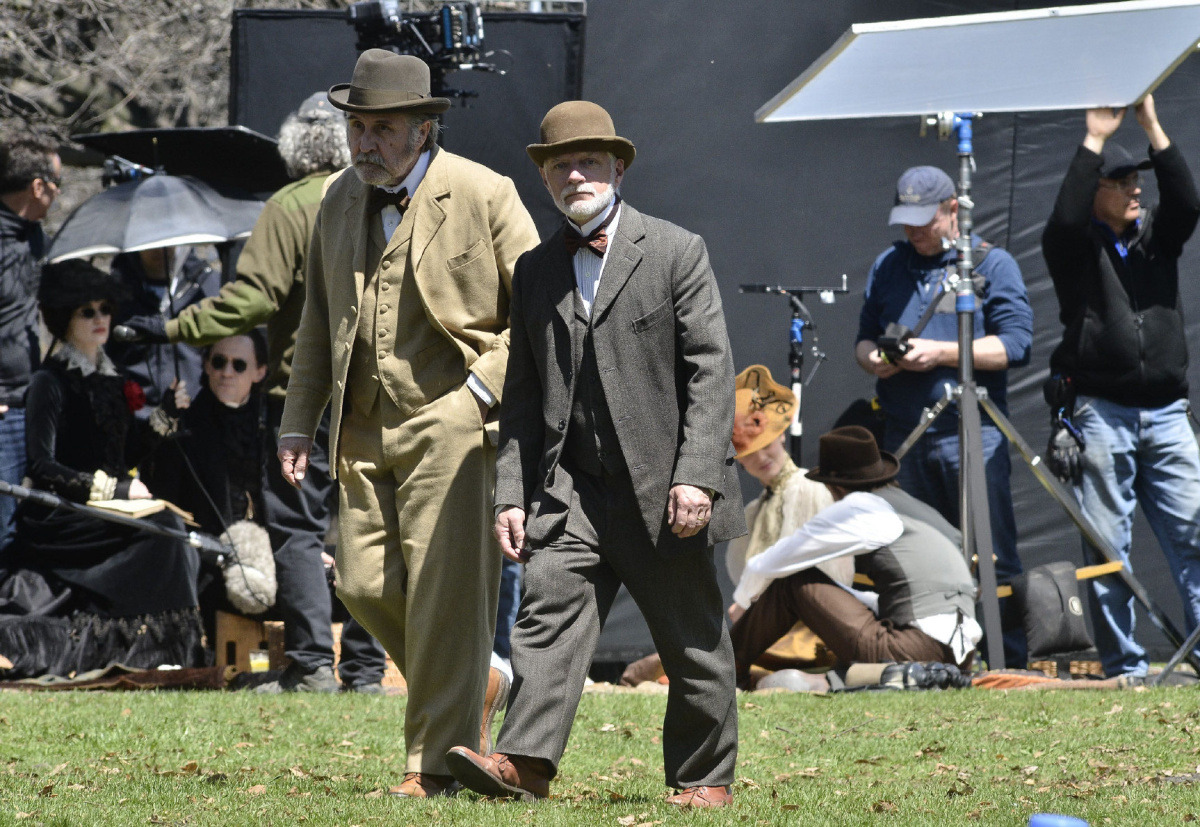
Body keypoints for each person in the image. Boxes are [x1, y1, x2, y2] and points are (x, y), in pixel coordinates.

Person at [444, 100, 743, 809]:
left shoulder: (676, 250)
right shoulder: (534, 269)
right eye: (560, 165)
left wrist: (697, 476)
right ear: (545, 179)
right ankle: (524, 763)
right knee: (547, 612)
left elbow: (711, 371)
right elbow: (521, 394)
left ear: (618, 168)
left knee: (693, 638)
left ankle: (704, 777)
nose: (575, 174)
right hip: (571, 486)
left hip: (665, 487)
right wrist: (512, 492)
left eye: (589, 161)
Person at [277, 51, 539, 797]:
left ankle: (432, 766)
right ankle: (476, 680)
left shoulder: (485, 192)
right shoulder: (337, 198)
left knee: (444, 595)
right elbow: (318, 319)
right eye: (357, 127)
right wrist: (298, 421)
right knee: (361, 584)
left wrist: (479, 395)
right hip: (360, 424)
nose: (365, 143)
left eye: (383, 129)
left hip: (454, 421)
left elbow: (539, 314)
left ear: (423, 128)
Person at [121, 91, 389, 694]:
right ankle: (367, 670)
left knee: (297, 528)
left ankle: (313, 664)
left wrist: (172, 327)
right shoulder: (383, 199)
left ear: (295, 145)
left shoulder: (290, 205)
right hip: (379, 391)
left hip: (305, 392)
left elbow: (253, 299)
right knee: (370, 527)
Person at [1040, 94, 1200, 680]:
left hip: (1167, 412)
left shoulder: (1158, 235)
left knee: (1195, 534)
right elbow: (1062, 219)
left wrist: (1151, 123)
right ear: (1097, 191)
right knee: (1108, 548)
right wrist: (1095, 139)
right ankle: (1126, 667)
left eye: (1138, 180)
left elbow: (1188, 201)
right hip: (1102, 412)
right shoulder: (1074, 246)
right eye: (1122, 182)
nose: (1136, 190)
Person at [854, 165, 1033, 668]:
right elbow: (863, 340)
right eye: (905, 220)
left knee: (991, 552)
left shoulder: (991, 264)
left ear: (953, 209)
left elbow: (1015, 345)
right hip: (905, 436)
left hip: (970, 434)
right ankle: (935, 660)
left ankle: (1006, 662)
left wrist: (940, 353)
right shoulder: (889, 264)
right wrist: (875, 359)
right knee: (918, 555)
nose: (913, 231)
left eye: (924, 220)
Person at [0, 260, 204, 678]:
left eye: (105, 309)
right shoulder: (49, 382)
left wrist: (164, 416)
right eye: (87, 312)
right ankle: (147, 650)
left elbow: (123, 455)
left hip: (105, 507)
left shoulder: (111, 379)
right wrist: (114, 491)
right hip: (61, 514)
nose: (100, 319)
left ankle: (163, 651)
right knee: (162, 531)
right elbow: (42, 465)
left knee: (169, 527)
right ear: (64, 317)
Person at [729, 426, 981, 686]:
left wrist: (743, 602)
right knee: (833, 589)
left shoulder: (860, 507)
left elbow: (770, 563)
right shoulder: (914, 509)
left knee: (793, 582)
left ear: (834, 486)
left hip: (913, 651)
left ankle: (726, 668)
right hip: (959, 657)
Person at [148, 331, 271, 642]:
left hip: (269, 552)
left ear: (259, 372)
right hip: (207, 561)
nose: (226, 372)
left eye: (238, 365)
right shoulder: (187, 426)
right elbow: (166, 504)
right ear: (205, 366)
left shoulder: (273, 426)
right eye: (218, 362)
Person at [0, 134, 60, 548]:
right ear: (38, 187)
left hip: (32, 404)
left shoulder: (36, 238)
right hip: (2, 410)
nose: (58, 195)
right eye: (57, 185)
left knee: (33, 524)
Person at [107, 244, 219, 420]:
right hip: (133, 418)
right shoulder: (114, 289)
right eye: (150, 243)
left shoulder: (207, 283)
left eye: (167, 243)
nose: (159, 249)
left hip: (195, 415)